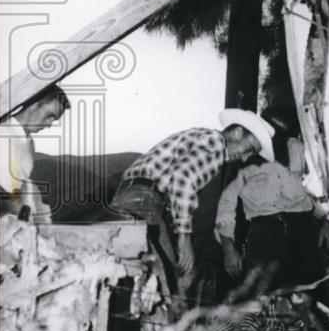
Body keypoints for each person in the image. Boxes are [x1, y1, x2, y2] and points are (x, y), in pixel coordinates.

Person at [110, 119, 259, 299]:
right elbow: (183, 178)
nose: (245, 157)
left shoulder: (200, 137)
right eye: (249, 148)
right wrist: (184, 236)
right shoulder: (216, 145)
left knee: (130, 280)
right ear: (237, 133)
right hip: (145, 202)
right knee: (171, 285)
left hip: (128, 197)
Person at [213, 111, 325, 293]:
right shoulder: (243, 157)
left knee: (308, 290)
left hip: (302, 229)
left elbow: (316, 185)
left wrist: (324, 222)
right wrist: (228, 249)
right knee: (265, 293)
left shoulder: (298, 147)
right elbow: (226, 205)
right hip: (265, 233)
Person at [0, 84, 71, 222]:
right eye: (49, 116)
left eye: (53, 120)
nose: (49, 124)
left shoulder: (30, 143)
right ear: (34, 104)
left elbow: (22, 185)